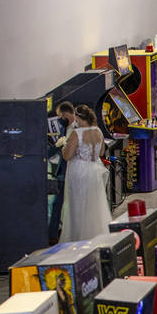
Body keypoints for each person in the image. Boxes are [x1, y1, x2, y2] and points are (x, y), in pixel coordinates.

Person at [59, 104, 112, 242]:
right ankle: (95, 234)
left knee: (78, 203)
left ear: (77, 117)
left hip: (79, 171)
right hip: (94, 170)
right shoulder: (98, 131)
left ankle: (78, 237)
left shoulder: (77, 133)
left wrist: (63, 147)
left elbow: (67, 156)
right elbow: (101, 152)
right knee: (94, 204)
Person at [47, 101, 76, 243]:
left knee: (61, 203)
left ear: (66, 114)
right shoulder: (65, 129)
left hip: (71, 170)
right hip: (63, 171)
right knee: (57, 204)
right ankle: (53, 234)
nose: (59, 120)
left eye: (60, 116)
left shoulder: (77, 128)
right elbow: (58, 144)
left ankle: (55, 234)